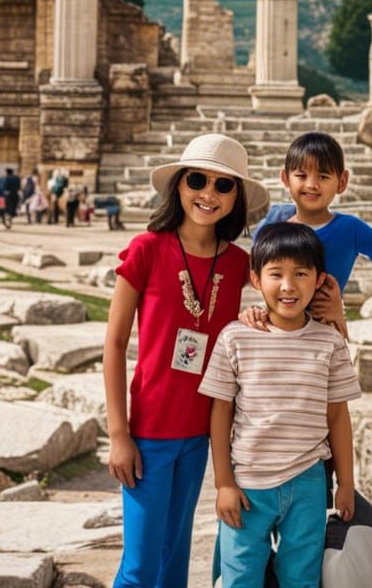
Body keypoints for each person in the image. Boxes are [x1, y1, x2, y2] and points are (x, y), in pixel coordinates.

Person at [103, 133, 270, 588]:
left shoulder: (238, 263)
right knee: (139, 569)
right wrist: (119, 434)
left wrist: (260, 313)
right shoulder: (147, 248)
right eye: (198, 179)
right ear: (179, 184)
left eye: (224, 185)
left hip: (201, 433)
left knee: (175, 565)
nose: (208, 194)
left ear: (236, 198)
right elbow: (115, 343)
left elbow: (289, 288)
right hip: (149, 433)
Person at [199, 222, 361, 587]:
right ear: (256, 279)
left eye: (301, 274)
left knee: (301, 577)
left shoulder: (330, 343)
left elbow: (338, 415)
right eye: (276, 274)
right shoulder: (235, 337)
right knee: (240, 576)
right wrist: (223, 483)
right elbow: (221, 412)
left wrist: (346, 483)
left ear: (319, 279)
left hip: (308, 481)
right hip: (248, 483)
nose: (288, 286)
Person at [252, 132, 372, 335]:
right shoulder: (274, 221)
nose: (312, 184)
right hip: (275, 328)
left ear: (342, 181)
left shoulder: (349, 228)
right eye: (302, 176)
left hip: (325, 329)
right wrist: (253, 312)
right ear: (285, 178)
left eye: (323, 176)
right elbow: (255, 272)